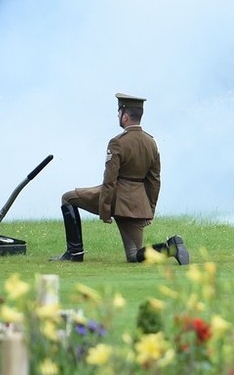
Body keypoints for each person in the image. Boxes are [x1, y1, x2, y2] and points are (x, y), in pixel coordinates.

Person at [51, 92, 188, 264]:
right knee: (134, 255)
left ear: (125, 116)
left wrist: (105, 209)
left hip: (116, 198)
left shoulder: (118, 142)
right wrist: (149, 210)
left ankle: (75, 252)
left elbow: (110, 180)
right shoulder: (151, 142)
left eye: (119, 113)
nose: (118, 116)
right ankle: (169, 247)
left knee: (68, 198)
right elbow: (154, 180)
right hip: (138, 203)